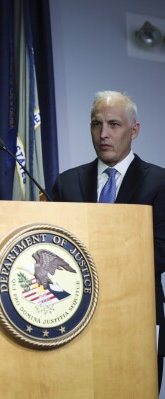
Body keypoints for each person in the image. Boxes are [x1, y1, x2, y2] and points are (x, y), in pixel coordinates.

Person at [51, 90, 165, 388]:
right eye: (96, 124)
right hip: (72, 316)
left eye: (114, 124)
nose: (103, 134)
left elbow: (161, 251)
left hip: (136, 313)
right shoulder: (67, 183)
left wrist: (92, 267)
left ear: (134, 130)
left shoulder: (160, 183)